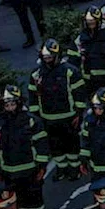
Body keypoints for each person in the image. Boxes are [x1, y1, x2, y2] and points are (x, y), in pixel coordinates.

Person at [28, 39, 86, 182]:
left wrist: (79, 113)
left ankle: (74, 168)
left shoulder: (70, 71)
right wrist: (36, 118)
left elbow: (79, 94)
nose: (47, 60)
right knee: (55, 146)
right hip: (48, 118)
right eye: (45, 57)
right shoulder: (36, 74)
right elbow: (33, 97)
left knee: (72, 144)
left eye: (50, 57)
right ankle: (61, 168)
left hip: (69, 117)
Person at [0, 85, 49, 209]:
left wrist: (42, 166)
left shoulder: (31, 121)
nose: (10, 108)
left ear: (19, 103)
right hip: (8, 173)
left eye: (12, 104)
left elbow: (41, 144)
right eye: (6, 105)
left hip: (30, 170)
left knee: (35, 201)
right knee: (16, 201)